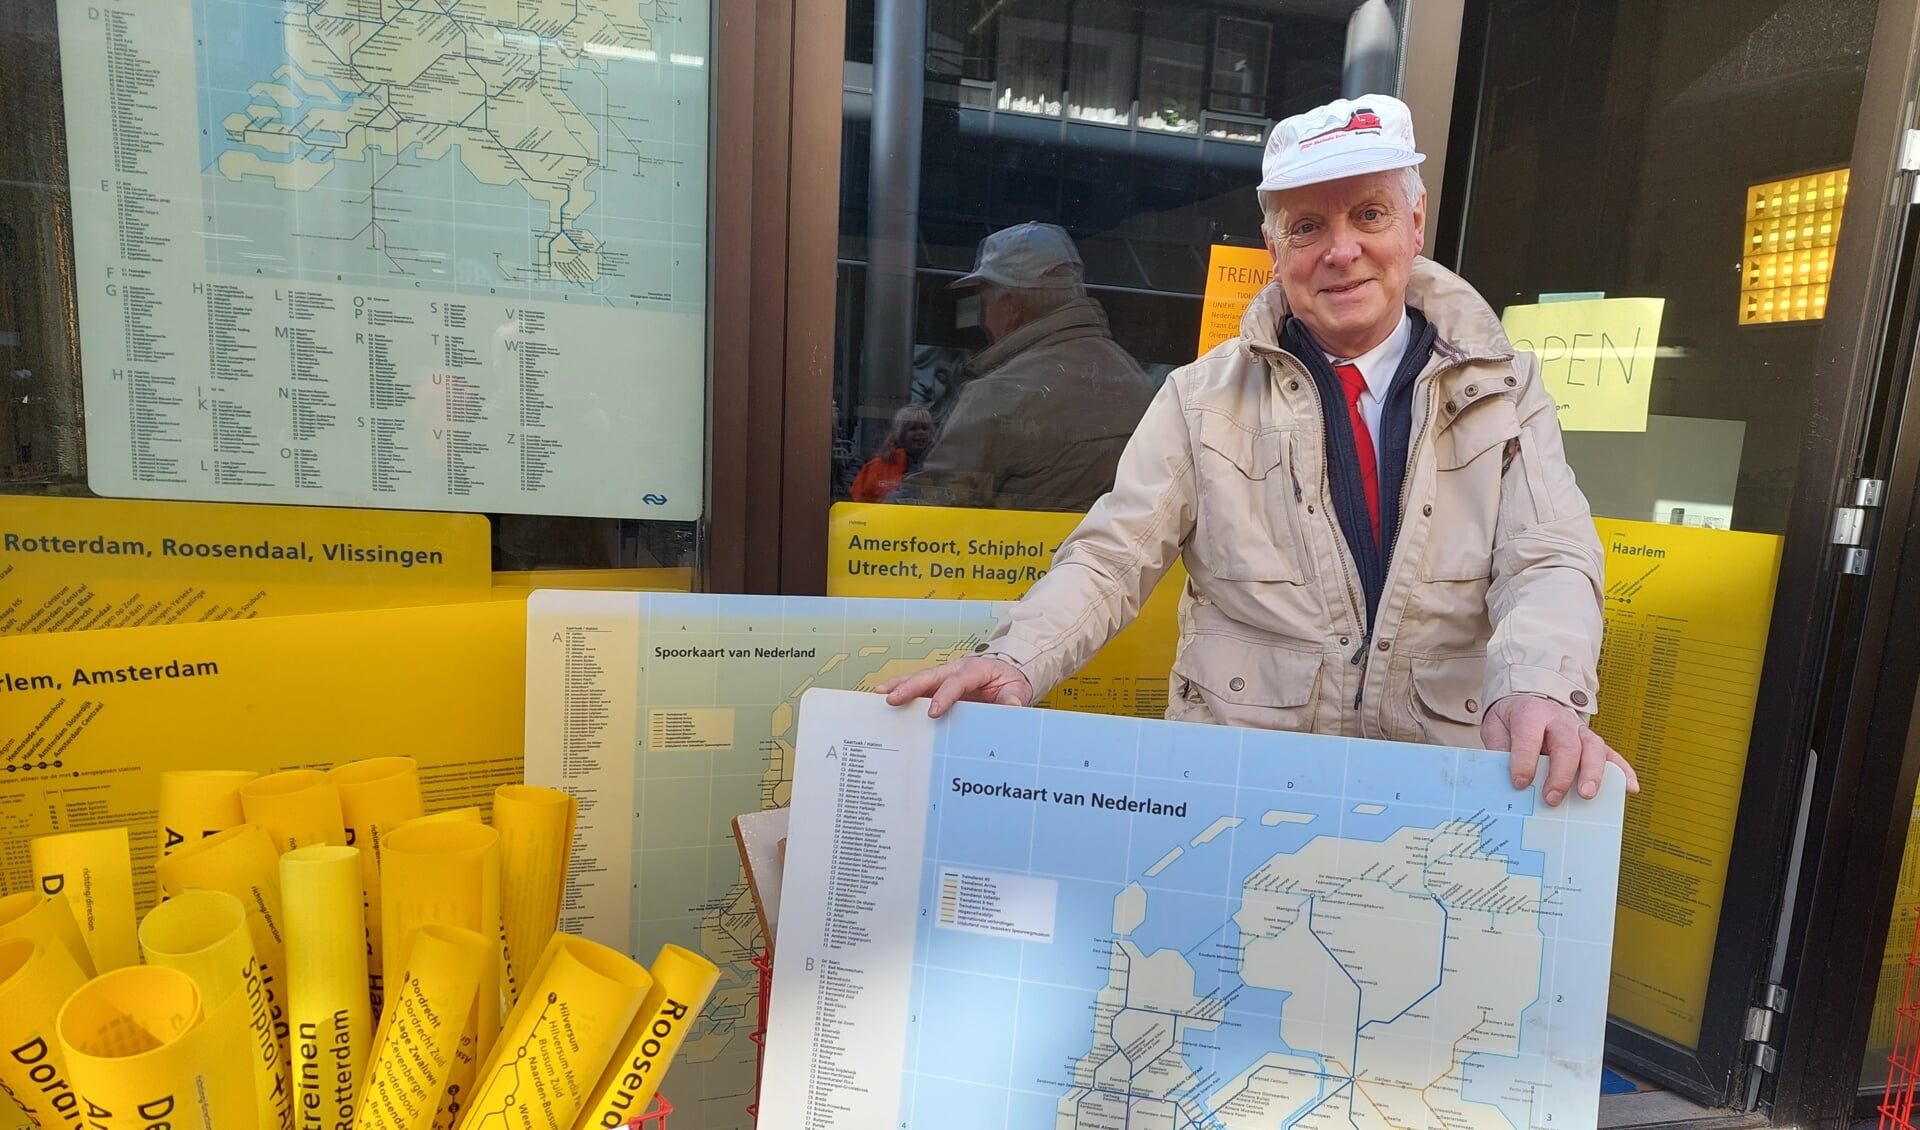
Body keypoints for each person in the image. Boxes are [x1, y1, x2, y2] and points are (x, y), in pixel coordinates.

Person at [884, 95, 1639, 808]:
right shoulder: (1198, 395)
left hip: (1438, 783)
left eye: (1368, 215)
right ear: (1273, 251)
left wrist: (1539, 685)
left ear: (1414, 225)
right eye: (1307, 228)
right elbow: (1112, 557)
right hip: (1241, 788)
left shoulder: (1507, 387)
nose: (1341, 252)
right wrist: (1016, 658)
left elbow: (1546, 556)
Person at [896, 222, 1154, 511]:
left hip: (1016, 555)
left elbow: (925, 512)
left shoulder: (1000, 393)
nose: (983, 318)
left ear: (1011, 303)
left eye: (983, 299)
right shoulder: (1136, 379)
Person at [851, 404, 935, 503]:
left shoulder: (940, 465)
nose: (921, 433)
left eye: (925, 428)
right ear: (900, 433)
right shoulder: (876, 467)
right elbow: (858, 503)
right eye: (913, 428)